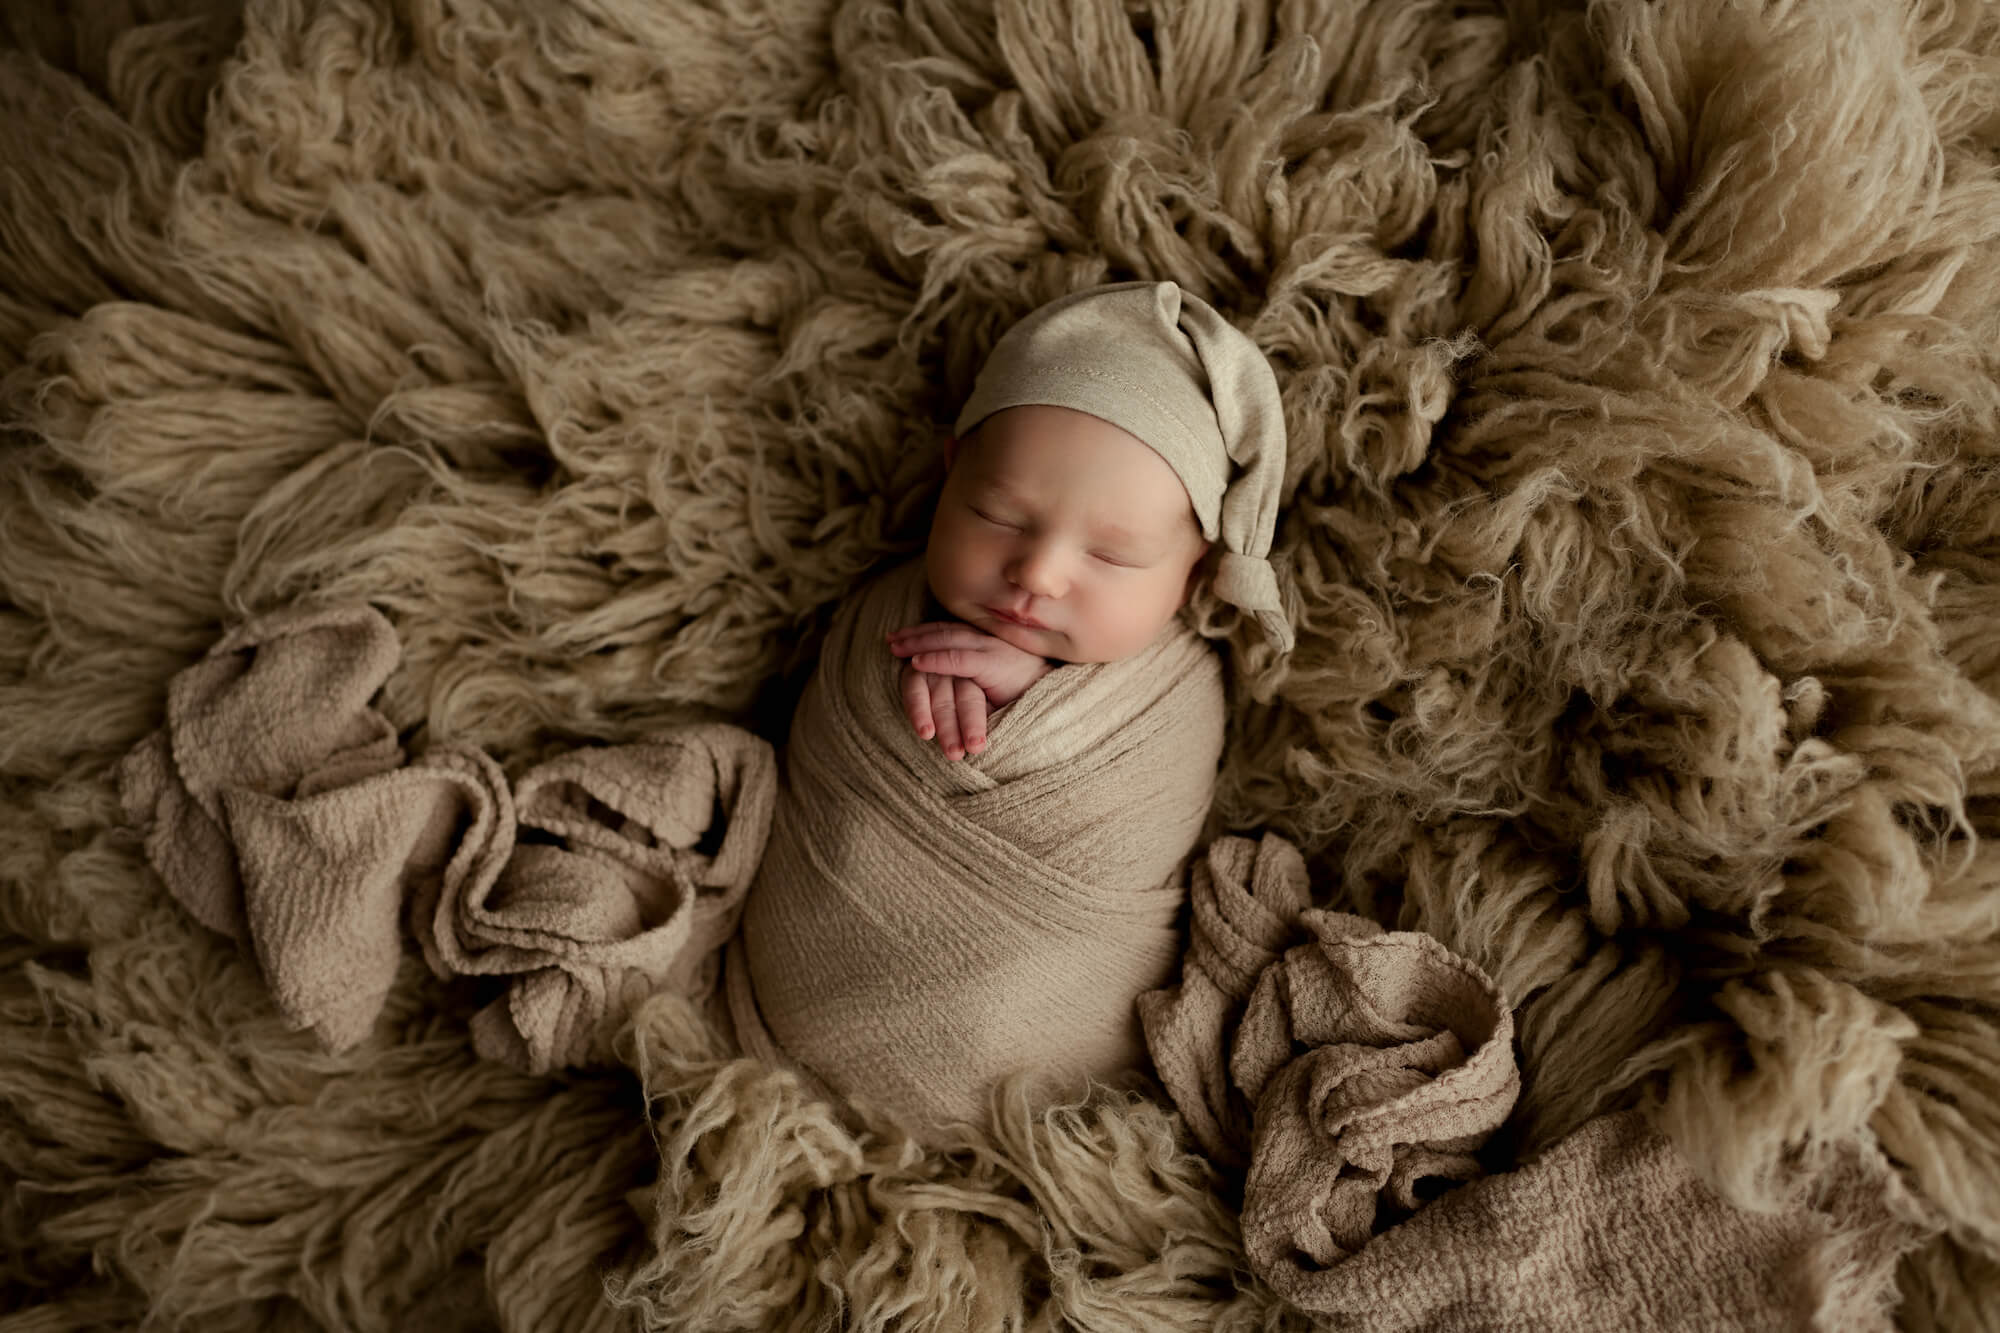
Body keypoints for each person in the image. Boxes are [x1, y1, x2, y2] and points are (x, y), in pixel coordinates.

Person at [727, 280, 1295, 1135]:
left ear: (1193, 569)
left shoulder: (1170, 696)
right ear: (951, 472)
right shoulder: (886, 614)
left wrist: (1034, 707)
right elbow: (824, 759)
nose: (1037, 574)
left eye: (1112, 554)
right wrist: (901, 678)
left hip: (1035, 1094)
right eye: (998, 514)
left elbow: (1137, 819)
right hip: (784, 1011)